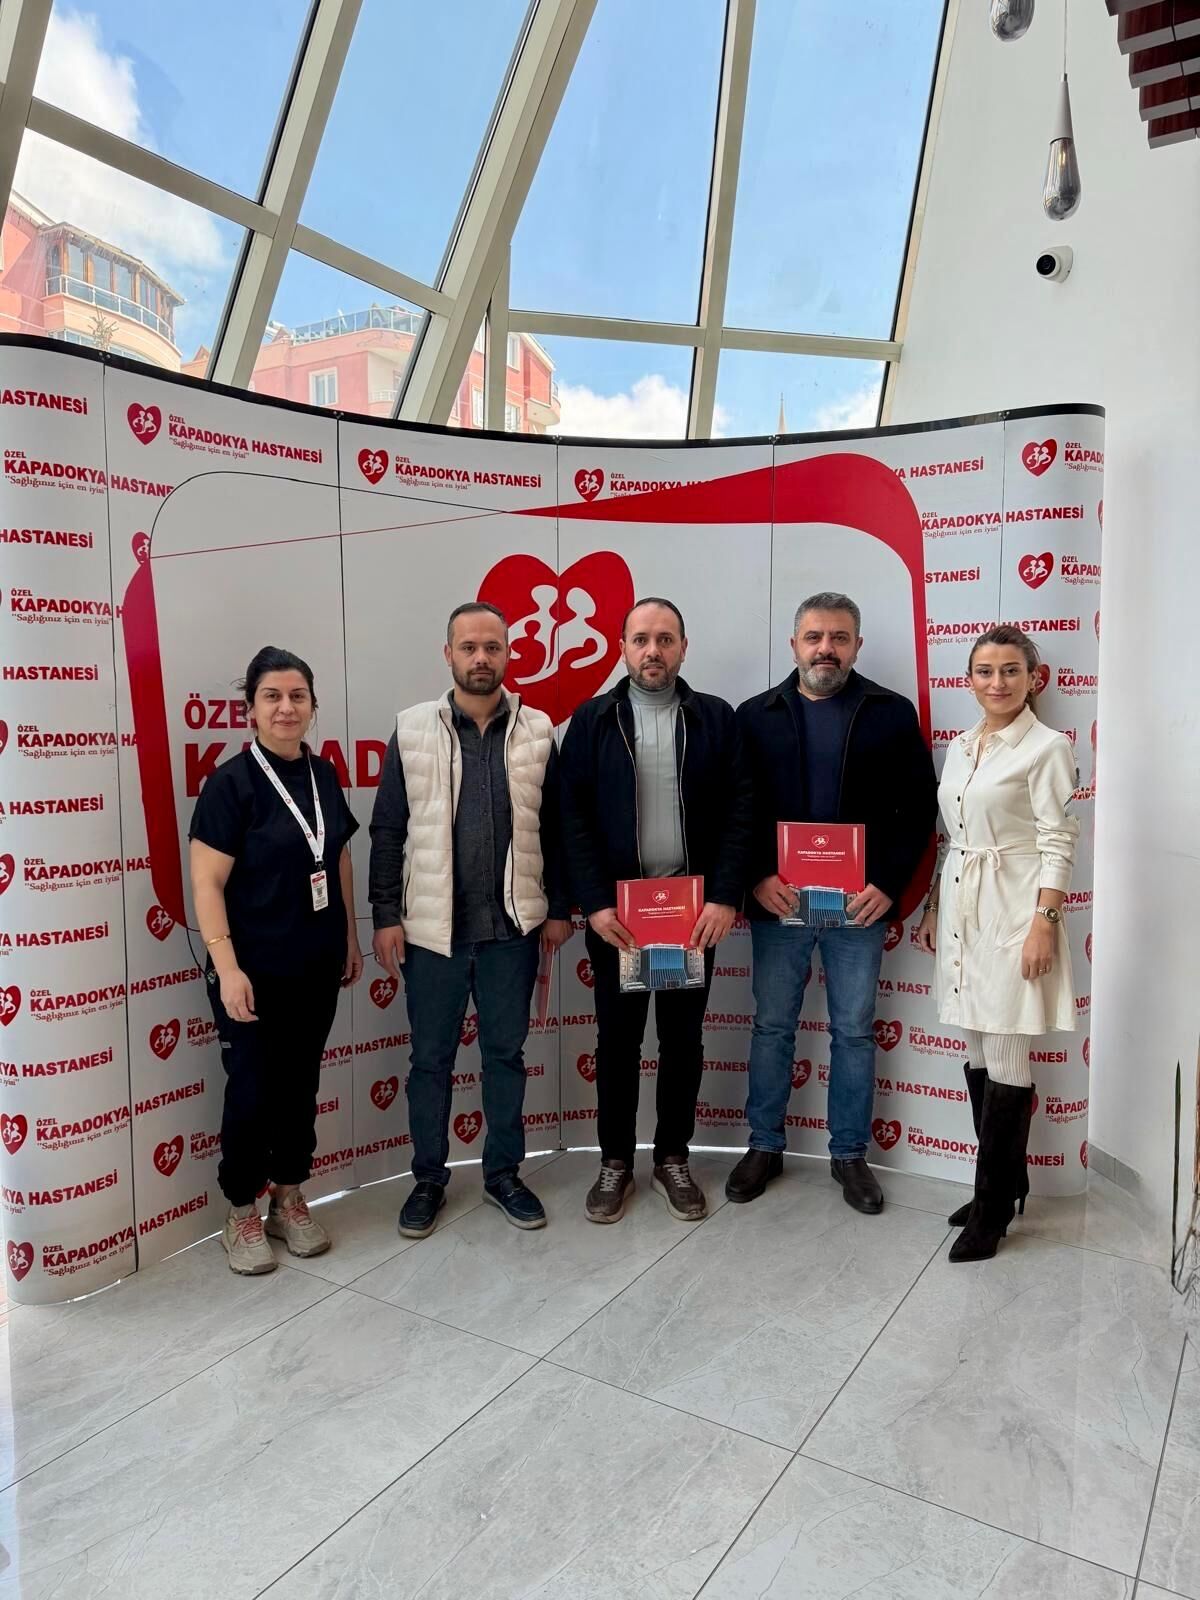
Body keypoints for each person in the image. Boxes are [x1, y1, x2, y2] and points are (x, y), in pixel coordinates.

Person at [729, 592, 938, 1213]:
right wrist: (755, 878)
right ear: (794, 644)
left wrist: (888, 883)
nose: (826, 648)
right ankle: (764, 1145)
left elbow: (916, 808)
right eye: (815, 636)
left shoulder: (890, 713)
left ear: (857, 646)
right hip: (779, 902)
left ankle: (849, 1155)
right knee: (772, 1026)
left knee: (852, 1031)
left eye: (839, 637)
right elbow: (735, 808)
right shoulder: (754, 716)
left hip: (858, 907)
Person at [369, 602, 571, 1238]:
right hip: (434, 934)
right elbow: (387, 829)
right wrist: (385, 914)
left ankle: (503, 1175)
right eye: (469, 647)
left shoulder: (537, 730)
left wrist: (558, 907)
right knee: (430, 1062)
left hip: (513, 932)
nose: (481, 658)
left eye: (492, 647)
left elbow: (559, 829)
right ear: (448, 654)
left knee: (504, 1057)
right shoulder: (412, 729)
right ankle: (428, 1179)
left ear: (508, 654)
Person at [559, 597, 753, 1223]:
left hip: (691, 916)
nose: (653, 651)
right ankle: (615, 1159)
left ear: (683, 648)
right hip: (618, 918)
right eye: (641, 639)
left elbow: (740, 810)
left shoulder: (715, 718)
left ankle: (673, 1156)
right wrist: (593, 904)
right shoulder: (593, 720)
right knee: (617, 1041)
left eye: (665, 639)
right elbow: (572, 817)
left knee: (682, 1040)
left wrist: (724, 896)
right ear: (622, 648)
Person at [189, 646, 363, 1275]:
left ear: (313, 707)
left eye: (297, 696)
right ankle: (241, 1208)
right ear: (251, 710)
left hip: (315, 964)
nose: (286, 707)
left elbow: (336, 858)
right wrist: (228, 968)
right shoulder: (229, 785)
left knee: (300, 1085)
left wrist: (348, 936)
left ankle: (288, 1197)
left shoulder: (324, 776)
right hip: (252, 972)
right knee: (253, 1091)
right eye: (272, 696)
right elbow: (207, 882)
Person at [916, 624, 1078, 1262]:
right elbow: (953, 836)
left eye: (1011, 670)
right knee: (979, 1046)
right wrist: (934, 906)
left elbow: (1058, 840)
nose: (998, 682)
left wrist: (1045, 922)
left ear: (1033, 679)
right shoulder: (961, 746)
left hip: (1015, 909)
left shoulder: (1046, 746)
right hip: (964, 907)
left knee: (1008, 1050)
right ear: (969, 680)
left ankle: (991, 1213)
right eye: (985, 671)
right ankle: (1005, 1186)